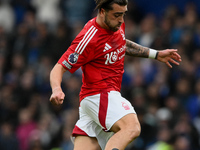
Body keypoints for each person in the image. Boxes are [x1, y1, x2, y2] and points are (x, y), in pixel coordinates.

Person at [49, 0, 182, 150]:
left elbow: (121, 43)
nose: (121, 20)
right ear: (102, 12)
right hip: (99, 95)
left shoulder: (115, 24)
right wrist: (56, 89)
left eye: (123, 14)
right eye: (117, 15)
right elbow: (59, 67)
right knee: (131, 127)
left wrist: (156, 54)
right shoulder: (89, 38)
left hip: (94, 102)